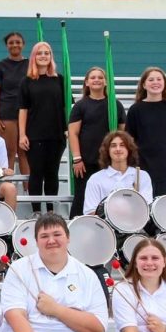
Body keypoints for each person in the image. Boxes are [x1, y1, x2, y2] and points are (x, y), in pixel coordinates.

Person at [68, 67, 127, 218]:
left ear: (106, 82)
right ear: (87, 82)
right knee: (82, 198)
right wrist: (77, 158)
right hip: (86, 162)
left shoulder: (115, 105)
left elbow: (123, 134)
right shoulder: (80, 106)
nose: (97, 80)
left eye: (100, 77)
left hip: (109, 162)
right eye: (93, 77)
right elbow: (73, 133)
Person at [18, 41, 67, 213]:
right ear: (34, 57)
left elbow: (66, 107)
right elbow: (23, 109)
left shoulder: (60, 80)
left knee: (52, 173)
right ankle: (37, 211)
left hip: (57, 134)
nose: (44, 56)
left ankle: (51, 211)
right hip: (35, 134)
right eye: (40, 53)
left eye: (47, 53)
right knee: (37, 173)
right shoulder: (27, 81)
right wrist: (22, 134)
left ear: (51, 57)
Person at [126, 67, 166, 198]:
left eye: (159, 79)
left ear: (164, 83)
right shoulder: (136, 109)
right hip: (144, 167)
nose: (155, 82)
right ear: (144, 84)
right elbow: (129, 139)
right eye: (151, 79)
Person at [83, 131, 154, 214]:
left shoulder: (142, 176)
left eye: (122, 145)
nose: (118, 149)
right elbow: (90, 212)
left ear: (129, 149)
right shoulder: (95, 179)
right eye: (113, 146)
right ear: (107, 151)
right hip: (106, 226)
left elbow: (146, 208)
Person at [0, 31, 29, 176]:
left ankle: (29, 194)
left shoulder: (31, 64)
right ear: (7, 45)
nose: (15, 45)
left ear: (23, 45)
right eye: (11, 42)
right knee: (9, 151)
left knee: (25, 152)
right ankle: (8, 187)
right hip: (7, 113)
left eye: (18, 42)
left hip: (27, 113)